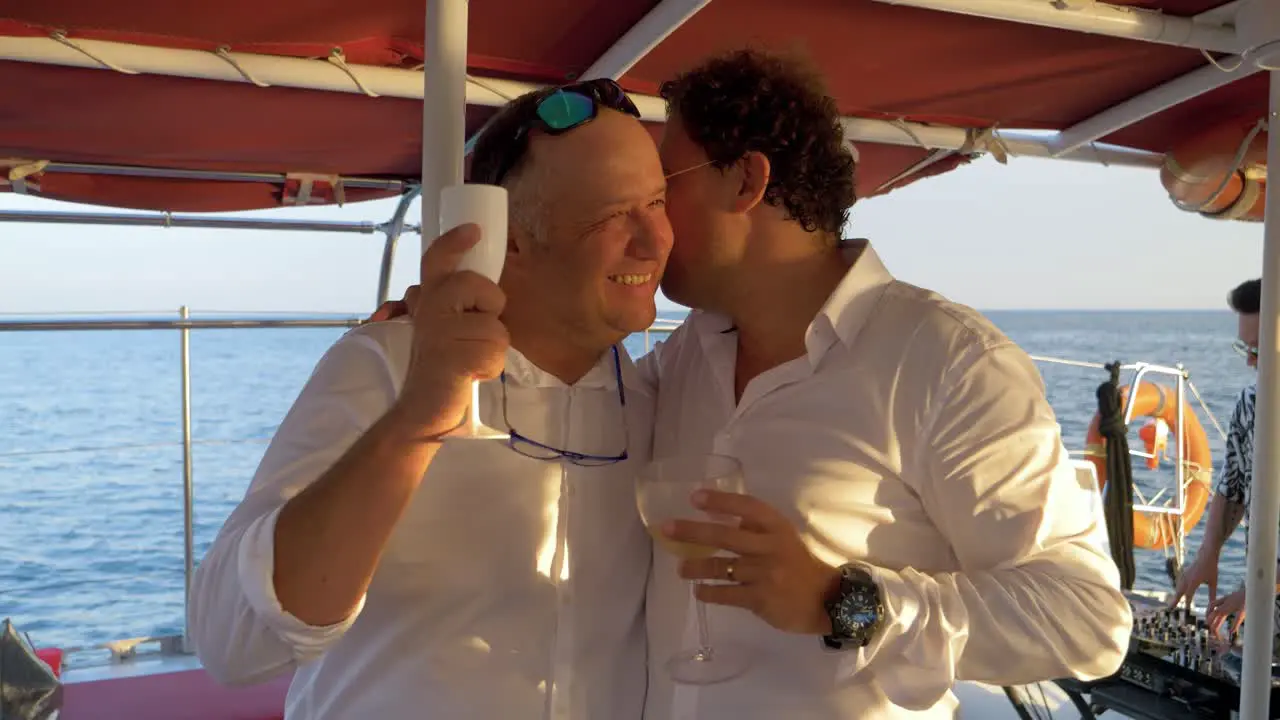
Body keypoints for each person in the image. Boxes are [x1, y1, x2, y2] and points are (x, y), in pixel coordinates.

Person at [376, 50, 1132, 719]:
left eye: (661, 189)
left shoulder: (946, 363)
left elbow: (1090, 618)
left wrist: (847, 601)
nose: (652, 222)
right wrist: (450, 323)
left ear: (746, 180)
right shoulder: (679, 362)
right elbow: (557, 391)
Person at [188, 78, 673, 719]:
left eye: (658, 203)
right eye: (612, 215)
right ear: (512, 238)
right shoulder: (386, 366)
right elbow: (231, 645)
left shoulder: (661, 398)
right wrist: (419, 418)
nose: (654, 241)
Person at [1172, 278, 1263, 634]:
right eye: (1246, 348)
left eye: (1260, 349)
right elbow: (1233, 485)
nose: (1250, 362)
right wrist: (1207, 553)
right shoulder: (1250, 404)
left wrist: (1255, 591)